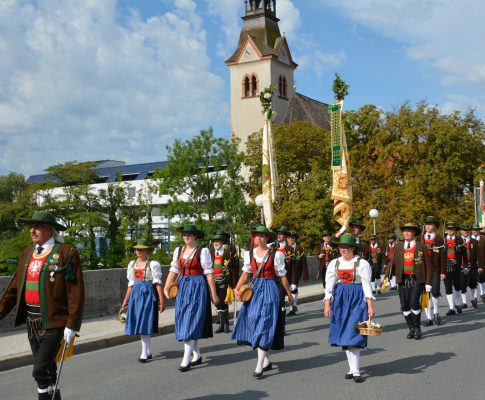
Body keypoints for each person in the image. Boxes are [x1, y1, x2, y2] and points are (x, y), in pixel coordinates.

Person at [0, 211, 84, 400]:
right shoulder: (27, 252)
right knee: (48, 369)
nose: (32, 230)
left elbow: (76, 292)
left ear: (50, 229)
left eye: (37, 226)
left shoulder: (66, 252)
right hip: (32, 322)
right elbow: (14, 287)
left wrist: (72, 324)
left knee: (39, 370)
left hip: (55, 322)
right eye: (31, 226)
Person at [232, 225, 294, 378]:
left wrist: (289, 294)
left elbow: (282, 276)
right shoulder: (249, 254)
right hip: (254, 290)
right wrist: (236, 288)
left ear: (267, 238)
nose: (258, 238)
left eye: (262, 236)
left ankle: (259, 365)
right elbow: (246, 274)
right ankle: (265, 360)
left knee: (265, 322)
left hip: (269, 289)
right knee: (253, 320)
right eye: (256, 236)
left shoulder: (276, 255)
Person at [164, 224, 219, 372]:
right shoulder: (178, 251)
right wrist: (166, 286)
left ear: (195, 236)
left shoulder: (203, 251)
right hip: (182, 286)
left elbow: (208, 273)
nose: (186, 237)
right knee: (183, 319)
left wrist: (213, 294)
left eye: (189, 234)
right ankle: (197, 355)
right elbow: (174, 269)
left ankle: (186, 359)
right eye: (184, 235)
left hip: (197, 287)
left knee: (191, 320)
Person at [324, 233, 374, 383]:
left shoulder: (362, 263)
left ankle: (356, 370)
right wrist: (327, 304)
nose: (342, 249)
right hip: (340, 299)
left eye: (345, 247)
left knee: (354, 332)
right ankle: (352, 369)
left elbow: (366, 285)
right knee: (344, 334)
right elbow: (329, 284)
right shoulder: (334, 263)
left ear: (353, 248)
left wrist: (370, 305)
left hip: (357, 299)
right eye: (340, 247)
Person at [121, 239, 165, 362]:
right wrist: (126, 300)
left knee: (145, 322)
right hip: (136, 295)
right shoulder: (132, 264)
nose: (138, 251)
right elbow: (131, 284)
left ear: (146, 250)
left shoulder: (153, 264)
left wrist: (162, 301)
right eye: (136, 249)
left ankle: (144, 352)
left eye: (140, 249)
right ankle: (147, 350)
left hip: (148, 295)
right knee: (140, 322)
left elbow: (157, 283)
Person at [386, 223, 430, 340]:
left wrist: (428, 282)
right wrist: (387, 277)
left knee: (414, 302)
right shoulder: (398, 247)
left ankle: (417, 328)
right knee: (404, 305)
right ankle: (411, 328)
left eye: (409, 231)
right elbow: (392, 263)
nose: (406, 233)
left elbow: (428, 266)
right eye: (404, 231)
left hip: (416, 280)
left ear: (414, 233)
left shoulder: (421, 246)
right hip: (403, 280)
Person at [421, 216, 446, 326]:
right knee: (425, 293)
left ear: (435, 226)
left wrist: (442, 272)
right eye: (426, 224)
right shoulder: (420, 239)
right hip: (423, 270)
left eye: (430, 224)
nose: (428, 226)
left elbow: (442, 258)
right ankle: (429, 318)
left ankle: (436, 313)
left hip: (435, 269)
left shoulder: (440, 239)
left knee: (435, 291)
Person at [209, 231, 233, 333]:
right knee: (216, 302)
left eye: (218, 242)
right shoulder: (210, 253)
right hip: (214, 281)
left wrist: (231, 283)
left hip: (224, 280)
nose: (216, 244)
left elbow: (233, 269)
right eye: (214, 242)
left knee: (223, 302)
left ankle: (226, 325)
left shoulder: (228, 253)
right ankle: (221, 325)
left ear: (222, 243)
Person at [443, 222, 468, 315]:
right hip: (446, 266)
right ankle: (451, 308)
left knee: (457, 285)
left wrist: (465, 266)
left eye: (452, 229)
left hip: (457, 266)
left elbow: (465, 255)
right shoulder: (443, 240)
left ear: (455, 230)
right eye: (449, 229)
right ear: (446, 230)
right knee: (448, 287)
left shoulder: (460, 239)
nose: (450, 230)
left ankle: (457, 304)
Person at [286, 231, 309, 316]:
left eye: (292, 238)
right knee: (289, 289)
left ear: (295, 239)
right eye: (289, 238)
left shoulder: (300, 249)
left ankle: (293, 307)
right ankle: (291, 306)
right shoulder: (284, 248)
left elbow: (304, 262)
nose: (291, 239)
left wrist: (305, 275)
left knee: (293, 287)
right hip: (286, 272)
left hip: (296, 271)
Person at [459, 224, 479, 309]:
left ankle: (473, 299)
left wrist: (480, 265)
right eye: (463, 230)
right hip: (461, 265)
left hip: (472, 265)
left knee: (472, 283)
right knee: (462, 284)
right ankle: (464, 302)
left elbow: (478, 254)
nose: (465, 232)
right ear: (461, 231)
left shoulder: (474, 241)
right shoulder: (457, 241)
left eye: (467, 230)